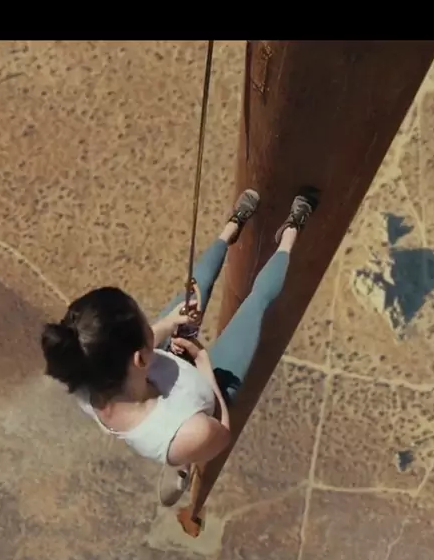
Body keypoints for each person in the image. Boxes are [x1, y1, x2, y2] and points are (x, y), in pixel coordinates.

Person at [41, 189, 317, 507]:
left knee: (195, 284)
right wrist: (205, 368)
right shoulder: (190, 431)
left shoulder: (86, 371)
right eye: (145, 325)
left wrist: (170, 322)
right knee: (257, 303)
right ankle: (290, 233)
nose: (151, 325)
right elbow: (222, 432)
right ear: (139, 357)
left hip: (163, 367)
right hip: (208, 389)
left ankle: (232, 227)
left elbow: (141, 345)